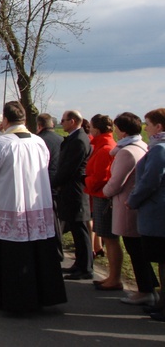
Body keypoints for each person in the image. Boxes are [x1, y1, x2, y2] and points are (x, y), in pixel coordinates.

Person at [0, 101, 67, 314]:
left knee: (13, 255)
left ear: (5, 120)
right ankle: (44, 295)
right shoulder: (38, 142)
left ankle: (15, 300)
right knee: (38, 251)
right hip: (37, 206)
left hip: (9, 205)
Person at [102, 112, 159, 306]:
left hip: (126, 204)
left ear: (122, 130)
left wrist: (105, 190)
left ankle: (145, 290)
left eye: (117, 128)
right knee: (138, 249)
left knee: (134, 249)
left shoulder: (126, 152)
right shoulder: (142, 146)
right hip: (136, 205)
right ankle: (149, 285)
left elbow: (117, 181)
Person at [126, 108, 165, 321]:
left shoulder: (159, 150)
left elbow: (150, 181)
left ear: (159, 126)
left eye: (148, 124)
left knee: (162, 259)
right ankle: (161, 302)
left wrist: (133, 200)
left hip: (157, 212)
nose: (146, 128)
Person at [54, 110, 93, 280]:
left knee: (80, 229)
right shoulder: (75, 138)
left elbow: (69, 168)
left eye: (63, 120)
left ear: (73, 121)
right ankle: (79, 263)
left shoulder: (78, 140)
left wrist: (53, 183)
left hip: (75, 190)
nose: (61, 123)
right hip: (70, 189)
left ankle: (85, 267)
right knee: (76, 230)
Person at [84, 114, 119, 289]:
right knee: (105, 235)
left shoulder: (105, 148)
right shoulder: (102, 145)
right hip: (99, 195)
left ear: (96, 129)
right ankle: (112, 277)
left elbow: (100, 176)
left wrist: (86, 182)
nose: (88, 129)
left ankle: (114, 277)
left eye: (90, 127)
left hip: (102, 197)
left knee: (110, 238)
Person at [36, 112, 66, 262]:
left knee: (49, 220)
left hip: (44, 182)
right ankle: (57, 250)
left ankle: (52, 250)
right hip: (59, 182)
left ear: (39, 126)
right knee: (56, 218)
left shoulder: (39, 141)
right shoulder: (61, 139)